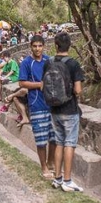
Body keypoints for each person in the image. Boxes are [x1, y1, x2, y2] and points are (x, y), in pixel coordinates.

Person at [45, 32, 86, 192]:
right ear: (70, 45)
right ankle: (68, 181)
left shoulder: (49, 63)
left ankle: (57, 178)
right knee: (70, 143)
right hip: (70, 110)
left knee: (59, 142)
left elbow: (44, 85)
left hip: (54, 109)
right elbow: (78, 90)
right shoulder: (73, 64)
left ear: (55, 45)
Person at [19, 35, 55, 179]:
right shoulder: (27, 63)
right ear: (31, 47)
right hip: (36, 104)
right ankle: (44, 167)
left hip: (52, 105)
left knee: (54, 138)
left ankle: (51, 163)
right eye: (35, 46)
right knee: (41, 140)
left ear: (43, 46)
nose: (37, 49)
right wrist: (39, 85)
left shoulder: (49, 60)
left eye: (40, 46)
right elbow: (22, 83)